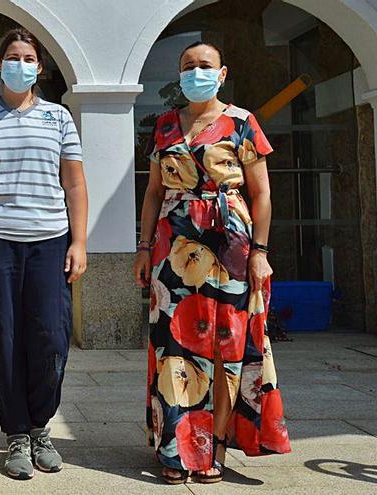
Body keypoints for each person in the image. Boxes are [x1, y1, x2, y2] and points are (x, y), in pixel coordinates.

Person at [133, 41, 291, 485]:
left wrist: (260, 253)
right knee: (175, 347)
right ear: (178, 74)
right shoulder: (163, 125)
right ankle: (174, 445)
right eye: (188, 66)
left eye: (205, 66)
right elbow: (152, 193)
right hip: (173, 248)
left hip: (232, 249)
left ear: (222, 74)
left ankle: (213, 446)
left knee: (227, 348)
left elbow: (261, 195)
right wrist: (144, 247)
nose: (195, 72)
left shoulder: (243, 123)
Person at [0, 27, 88, 480]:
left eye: (28, 57)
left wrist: (80, 242)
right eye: (12, 56)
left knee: (50, 338)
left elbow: (74, 183)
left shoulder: (59, 117)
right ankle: (17, 437)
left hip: (50, 241)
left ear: (39, 67)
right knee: (6, 340)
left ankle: (41, 426)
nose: (20, 64)